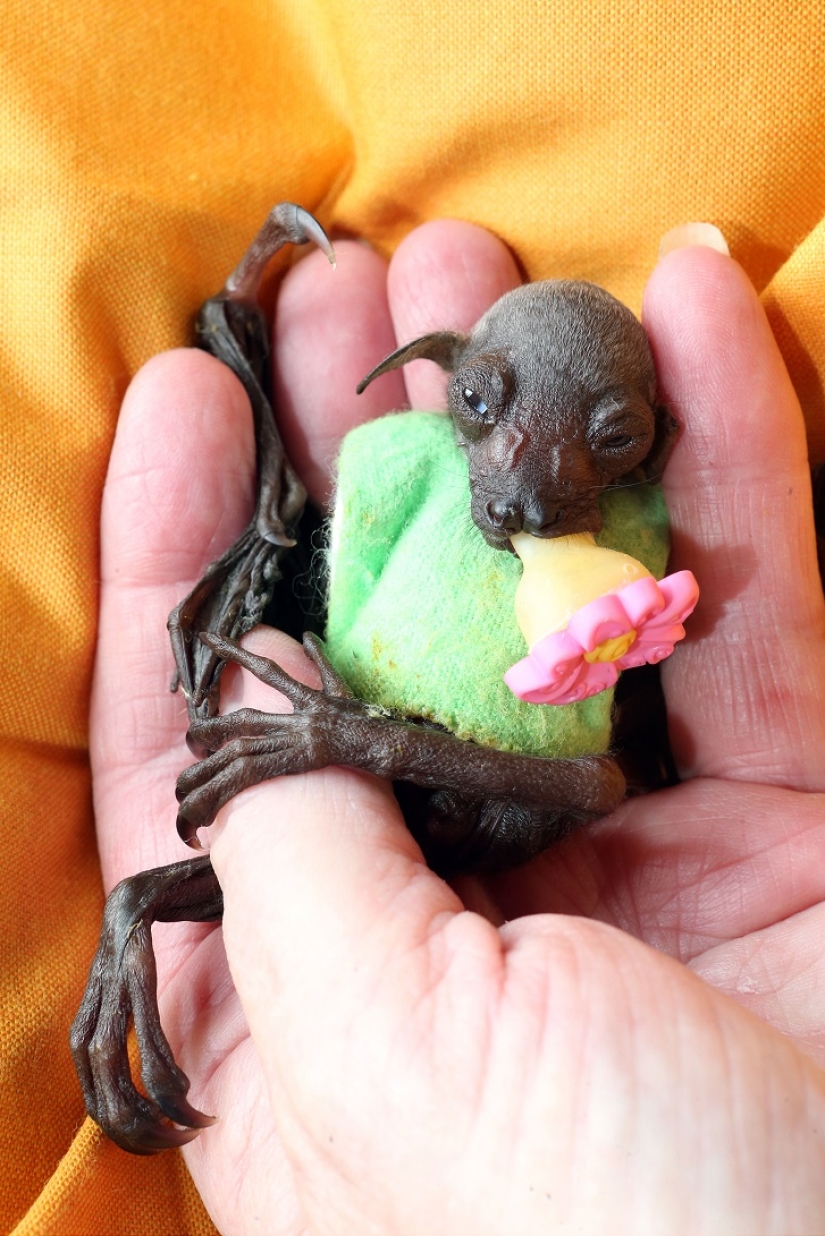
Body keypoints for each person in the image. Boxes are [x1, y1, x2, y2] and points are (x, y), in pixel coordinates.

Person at [93, 218, 825, 1235]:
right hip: (377, 762)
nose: (527, 484)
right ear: (445, 382)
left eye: (607, 437)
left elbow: (593, 786)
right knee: (144, 891)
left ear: (649, 447)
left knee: (569, 780)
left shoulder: (633, 543)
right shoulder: (401, 458)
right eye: (484, 403)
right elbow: (335, 587)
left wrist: (352, 743)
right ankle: (139, 917)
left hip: (499, 803)